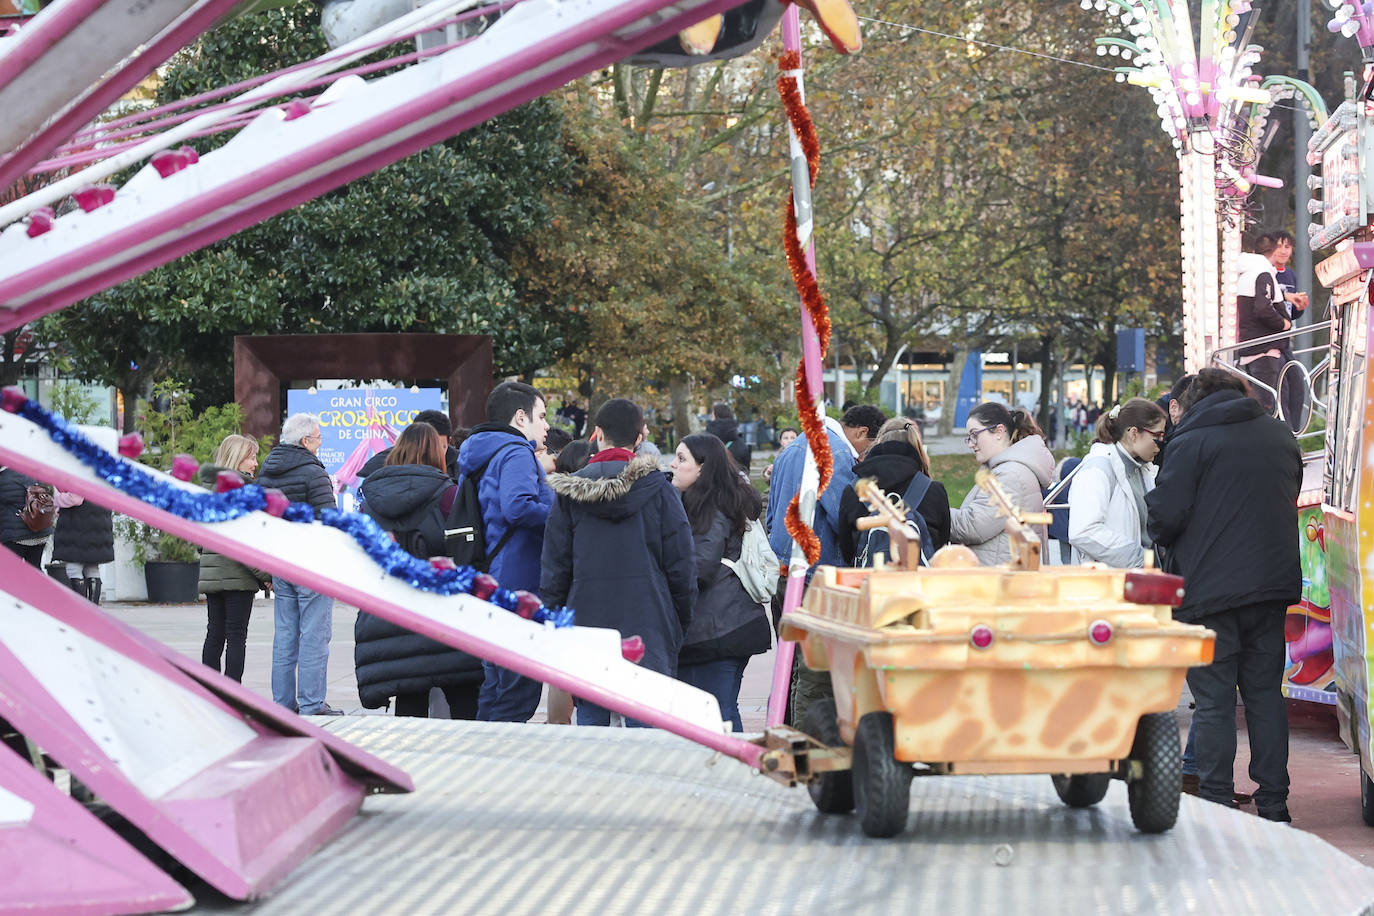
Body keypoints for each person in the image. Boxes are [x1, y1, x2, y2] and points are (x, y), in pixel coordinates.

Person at [1145, 368, 1302, 822]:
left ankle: (1215, 804)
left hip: (1208, 593)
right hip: (1270, 589)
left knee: (1214, 702)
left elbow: (1164, 520)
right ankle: (1274, 803)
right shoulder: (1278, 434)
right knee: (1265, 696)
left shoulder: (1190, 444)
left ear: (1194, 401)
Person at [542, 398, 697, 727]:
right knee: (647, 735)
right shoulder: (659, 490)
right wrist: (677, 623)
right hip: (649, 621)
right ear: (639, 438)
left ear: (597, 434)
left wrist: (556, 623)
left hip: (585, 623)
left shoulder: (569, 494)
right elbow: (682, 567)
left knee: (593, 730)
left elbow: (555, 570)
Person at [355, 423, 484, 719]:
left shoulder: (371, 499)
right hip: (444, 610)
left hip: (395, 609)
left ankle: (409, 764)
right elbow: (467, 553)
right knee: (463, 698)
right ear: (435, 452)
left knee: (409, 697)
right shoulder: (449, 495)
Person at [460, 381, 554, 723]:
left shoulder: (482, 451)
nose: (546, 425)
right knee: (516, 693)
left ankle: (485, 763)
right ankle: (501, 767)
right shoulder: (516, 451)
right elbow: (517, 507)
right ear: (519, 417)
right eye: (541, 416)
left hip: (494, 577)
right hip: (520, 582)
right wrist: (563, 516)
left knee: (498, 687)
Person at [670, 434, 772, 732]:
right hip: (724, 625)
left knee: (719, 713)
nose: (673, 464)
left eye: (681, 458)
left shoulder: (712, 508)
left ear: (703, 468)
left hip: (719, 629)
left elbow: (700, 567)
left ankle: (737, 772)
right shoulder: (707, 502)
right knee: (718, 710)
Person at [256, 412, 342, 716]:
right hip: (312, 563)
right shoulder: (312, 471)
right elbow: (329, 520)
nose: (320, 443)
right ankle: (311, 704)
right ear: (306, 441)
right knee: (315, 636)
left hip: (281, 561)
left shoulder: (267, 470)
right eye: (318, 438)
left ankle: (282, 704)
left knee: (285, 636)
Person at [197, 434, 272, 683]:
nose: (255, 462)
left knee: (214, 633)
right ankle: (232, 693)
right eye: (250, 456)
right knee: (236, 636)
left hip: (212, 576)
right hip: (239, 577)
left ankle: (210, 691)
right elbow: (246, 544)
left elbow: (197, 537)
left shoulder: (208, 490)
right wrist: (266, 577)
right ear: (236, 458)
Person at [950, 402, 1055, 565]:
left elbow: (973, 527)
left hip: (998, 580)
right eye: (969, 437)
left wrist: (935, 509)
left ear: (999, 431)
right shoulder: (1007, 470)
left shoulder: (1011, 475)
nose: (971, 443)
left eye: (974, 434)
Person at [1067, 398, 1166, 569]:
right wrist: (1139, 558)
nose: (1160, 443)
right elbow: (1082, 531)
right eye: (1157, 435)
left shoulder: (1142, 468)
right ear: (1134, 433)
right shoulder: (1098, 468)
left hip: (1134, 578)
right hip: (1106, 583)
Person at [837, 418, 950, 565]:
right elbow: (941, 546)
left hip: (869, 583)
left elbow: (847, 551)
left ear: (878, 442)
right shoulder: (933, 490)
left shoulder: (854, 491)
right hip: (920, 584)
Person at [1237, 234, 1297, 417]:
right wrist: (1283, 324)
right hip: (1264, 348)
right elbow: (1263, 308)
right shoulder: (1263, 273)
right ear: (1273, 251)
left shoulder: (1247, 273)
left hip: (1253, 347)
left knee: (1267, 401)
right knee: (1271, 405)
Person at [51, 482, 115, 604]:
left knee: (73, 568)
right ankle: (92, 609)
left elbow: (75, 498)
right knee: (92, 567)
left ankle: (83, 608)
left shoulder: (80, 472)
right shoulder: (101, 471)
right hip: (99, 523)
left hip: (80, 524)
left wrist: (56, 499)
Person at [359, 409, 461, 482]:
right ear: (413, 440)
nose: (433, 453)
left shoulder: (462, 463)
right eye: (427, 446)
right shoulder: (385, 461)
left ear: (449, 441)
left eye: (440, 447)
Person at [0, 466, 53, 567]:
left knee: (13, 571)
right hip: (40, 531)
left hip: (15, 535)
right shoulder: (30, 472)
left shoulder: (3, 478)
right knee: (35, 568)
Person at [705, 403, 751, 471]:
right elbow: (746, 468)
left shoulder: (705, 441)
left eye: (712, 416)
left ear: (716, 417)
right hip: (736, 479)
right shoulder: (740, 442)